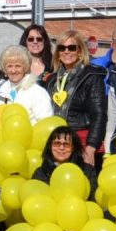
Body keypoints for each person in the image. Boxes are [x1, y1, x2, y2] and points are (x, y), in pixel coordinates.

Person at [46, 30, 107, 165]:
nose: (66, 51)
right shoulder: (51, 80)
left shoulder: (91, 76)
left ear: (80, 51)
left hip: (81, 142)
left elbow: (98, 114)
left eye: (72, 47)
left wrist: (91, 147)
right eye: (62, 48)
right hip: (57, 145)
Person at [0, 46, 54, 126]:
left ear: (25, 67)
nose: (13, 70)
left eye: (18, 66)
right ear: (4, 69)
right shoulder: (2, 90)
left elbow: (45, 122)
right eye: (9, 66)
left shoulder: (37, 92)